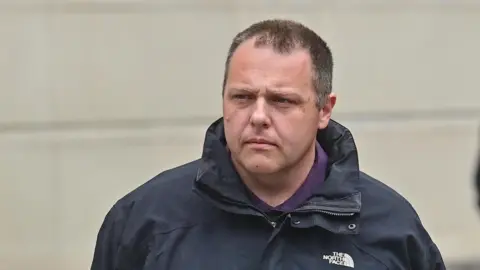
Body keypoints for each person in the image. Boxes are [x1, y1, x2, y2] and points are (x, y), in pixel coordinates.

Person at [91, 19, 445, 269]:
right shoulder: (145, 221)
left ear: (324, 109)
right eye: (242, 97)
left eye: (282, 101)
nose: (258, 116)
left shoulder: (392, 229)